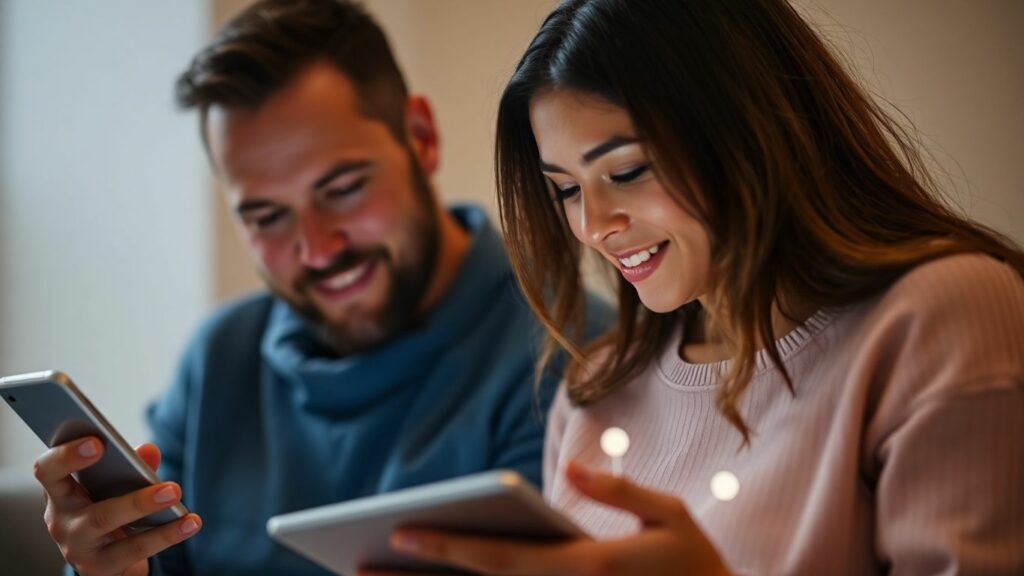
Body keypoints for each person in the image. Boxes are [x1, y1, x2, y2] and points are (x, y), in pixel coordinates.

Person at [370, 0, 1024, 574]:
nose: (593, 226)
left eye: (625, 172)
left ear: (750, 130)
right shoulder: (599, 388)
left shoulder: (941, 314)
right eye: (565, 190)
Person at [30, 1, 610, 575]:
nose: (318, 249)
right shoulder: (219, 357)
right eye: (266, 217)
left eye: (343, 188)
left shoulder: (573, 357)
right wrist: (109, 567)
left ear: (422, 138)